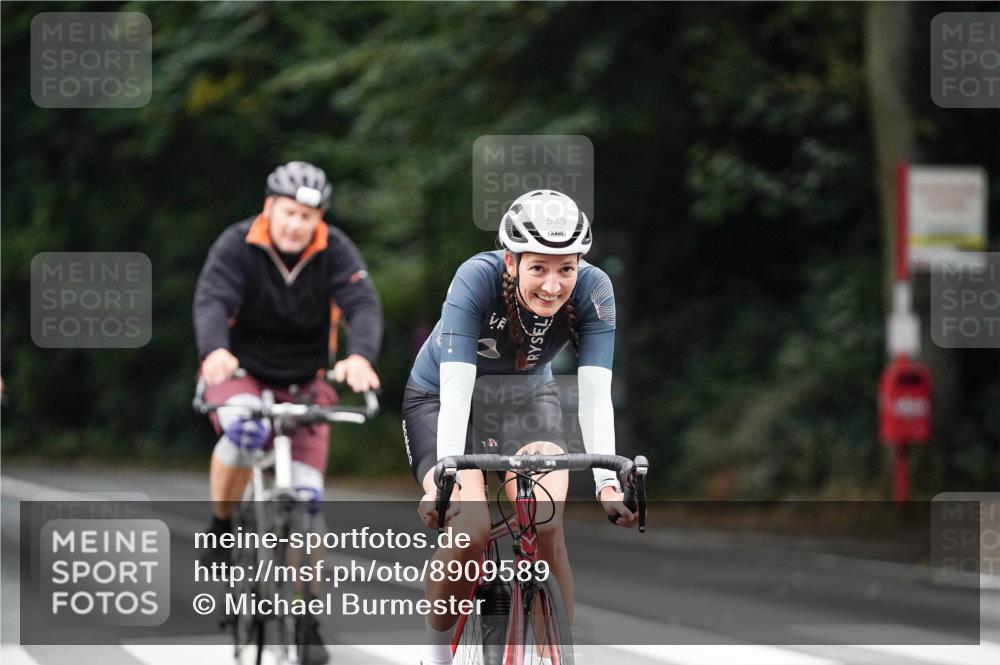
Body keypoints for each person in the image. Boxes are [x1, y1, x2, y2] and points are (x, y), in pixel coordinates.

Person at [402, 189, 636, 665]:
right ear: (511, 261)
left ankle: (555, 658)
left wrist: (608, 483)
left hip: (526, 402)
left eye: (566, 268)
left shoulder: (595, 290)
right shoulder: (476, 278)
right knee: (470, 531)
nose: (553, 285)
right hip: (445, 399)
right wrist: (445, 481)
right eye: (539, 268)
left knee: (546, 523)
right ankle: (436, 656)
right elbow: (457, 390)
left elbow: (595, 396)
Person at [193, 161, 383, 664]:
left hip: (305, 383)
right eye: (289, 213)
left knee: (308, 503)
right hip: (241, 372)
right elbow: (212, 300)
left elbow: (362, 304)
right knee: (243, 435)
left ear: (319, 218)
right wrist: (214, 350)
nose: (297, 224)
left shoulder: (334, 249)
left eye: (307, 216)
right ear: (269, 208)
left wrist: (360, 357)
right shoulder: (237, 244)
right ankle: (220, 525)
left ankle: (305, 618)